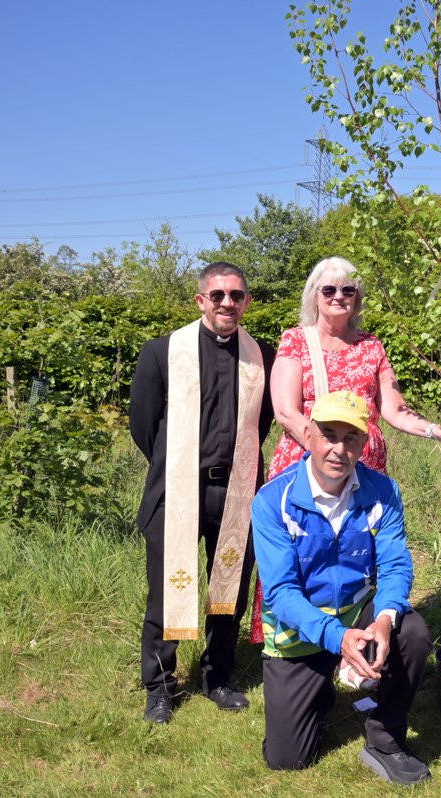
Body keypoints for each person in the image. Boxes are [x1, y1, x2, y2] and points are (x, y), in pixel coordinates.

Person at [249, 256, 441, 644]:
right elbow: (285, 411)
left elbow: (394, 409)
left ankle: (366, 636)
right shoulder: (296, 340)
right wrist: (328, 454)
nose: (339, 296)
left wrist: (435, 431)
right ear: (314, 295)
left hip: (363, 469)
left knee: (359, 554)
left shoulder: (371, 346)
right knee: (305, 554)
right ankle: (301, 644)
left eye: (348, 289)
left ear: (358, 297)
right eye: (329, 289)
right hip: (308, 466)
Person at [252, 390, 432, 784]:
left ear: (364, 443)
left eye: (350, 438)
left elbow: (395, 565)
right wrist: (337, 639)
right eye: (329, 435)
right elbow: (281, 593)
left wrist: (384, 619)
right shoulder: (272, 501)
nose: (339, 449)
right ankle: (321, 682)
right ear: (309, 435)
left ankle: (385, 740)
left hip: (356, 612)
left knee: (413, 632)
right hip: (298, 631)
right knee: (287, 759)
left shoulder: (383, 491)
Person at [129, 261, 276, 724]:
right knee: (166, 592)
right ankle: (160, 686)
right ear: (200, 300)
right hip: (177, 491)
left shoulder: (262, 356)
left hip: (236, 491)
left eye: (236, 295)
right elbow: (143, 424)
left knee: (228, 591)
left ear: (247, 302)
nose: (227, 303)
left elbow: (262, 422)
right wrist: (177, 465)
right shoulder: (161, 352)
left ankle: (218, 676)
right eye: (217, 295)